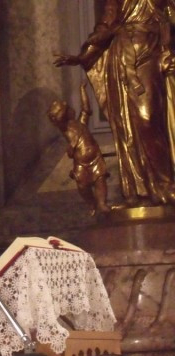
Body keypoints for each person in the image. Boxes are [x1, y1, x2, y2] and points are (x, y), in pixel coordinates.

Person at [54, 0, 175, 206]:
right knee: (139, 121)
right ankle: (152, 187)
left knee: (152, 118)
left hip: (154, 50)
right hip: (127, 55)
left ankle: (165, 183)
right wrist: (83, 56)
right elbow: (107, 21)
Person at [47, 83, 111, 215]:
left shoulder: (81, 122)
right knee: (82, 186)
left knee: (100, 180)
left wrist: (82, 90)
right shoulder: (65, 128)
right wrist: (60, 106)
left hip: (95, 158)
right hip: (81, 163)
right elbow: (58, 117)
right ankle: (92, 203)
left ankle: (102, 203)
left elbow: (86, 109)